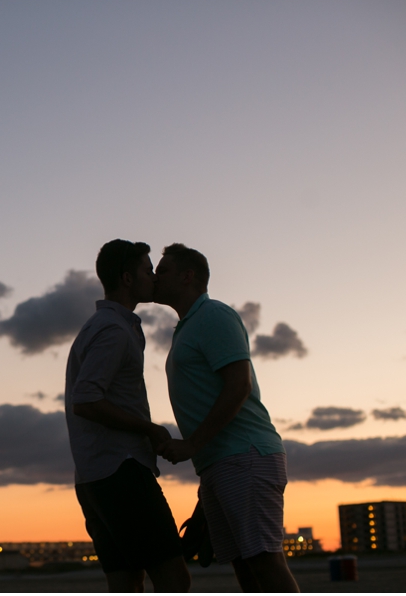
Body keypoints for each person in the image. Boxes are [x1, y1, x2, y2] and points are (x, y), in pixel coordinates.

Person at [153, 243, 300, 592]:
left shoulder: (214, 316)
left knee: (265, 564)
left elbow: (239, 386)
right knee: (247, 572)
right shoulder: (188, 326)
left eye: (163, 272)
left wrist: (191, 443)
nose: (155, 279)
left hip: (244, 455)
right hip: (220, 462)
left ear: (188, 277)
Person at [64, 239, 191, 593]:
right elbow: (86, 400)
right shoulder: (113, 331)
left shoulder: (102, 326)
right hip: (120, 471)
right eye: (147, 270)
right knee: (174, 578)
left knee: (125, 581)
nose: (153, 277)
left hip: (93, 477)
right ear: (127, 278)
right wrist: (148, 427)